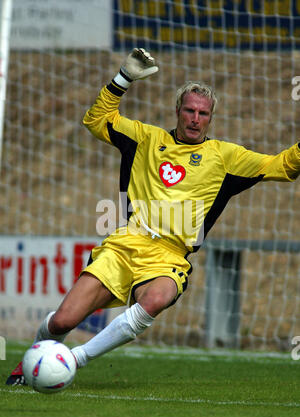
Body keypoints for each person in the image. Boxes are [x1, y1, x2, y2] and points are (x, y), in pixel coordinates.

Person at [6, 48, 300, 385]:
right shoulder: (145, 138)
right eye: (189, 110)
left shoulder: (225, 157)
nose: (195, 118)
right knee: (60, 322)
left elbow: (283, 166)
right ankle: (31, 357)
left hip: (169, 257)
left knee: (157, 298)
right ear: (177, 111)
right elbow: (95, 120)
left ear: (211, 118)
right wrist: (123, 78)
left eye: (203, 113)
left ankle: (74, 358)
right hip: (124, 246)